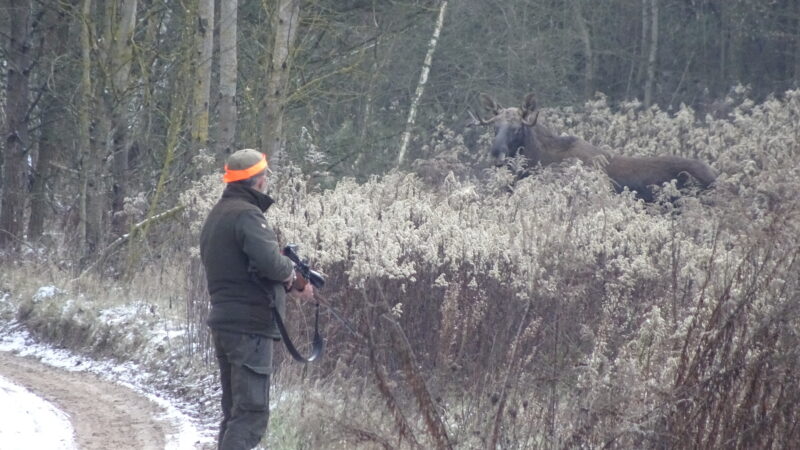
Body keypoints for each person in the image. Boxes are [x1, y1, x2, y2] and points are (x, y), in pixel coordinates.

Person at [200, 148, 314, 450]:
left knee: (235, 413)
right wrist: (293, 277)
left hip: (226, 323)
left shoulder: (217, 215)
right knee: (251, 415)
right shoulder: (247, 214)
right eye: (264, 175)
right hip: (249, 328)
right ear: (257, 181)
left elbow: (249, 265)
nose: (266, 180)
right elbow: (270, 264)